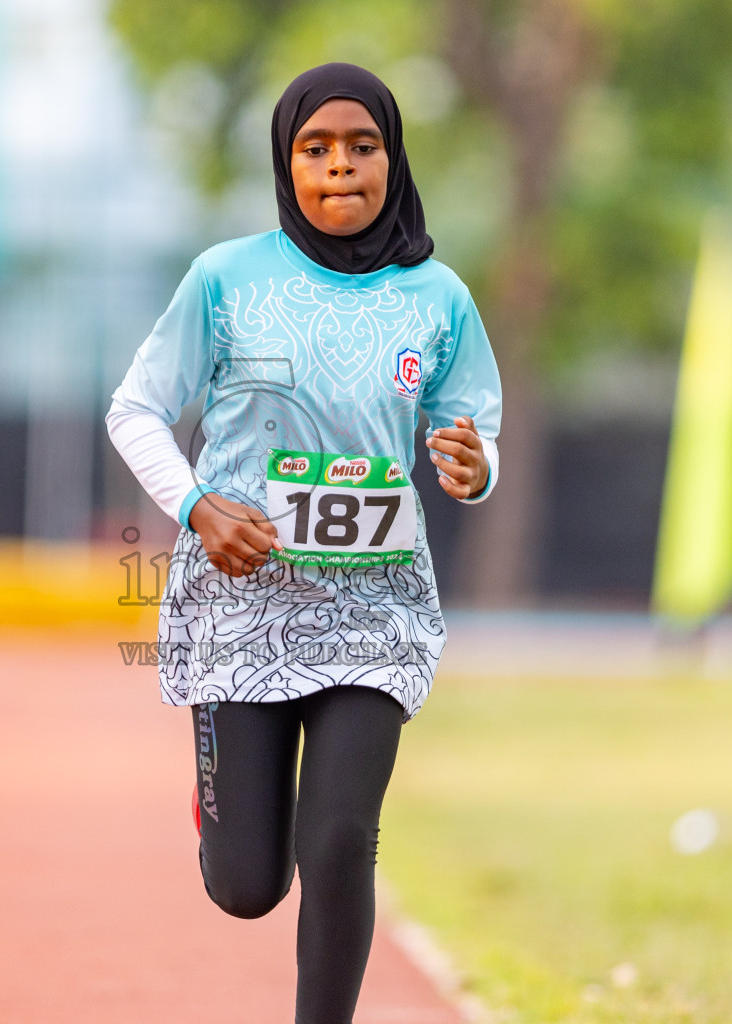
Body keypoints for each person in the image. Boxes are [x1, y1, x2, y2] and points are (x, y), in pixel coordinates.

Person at [106, 62, 503, 1024]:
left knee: (338, 841)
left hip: (376, 608)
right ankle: (223, 809)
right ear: (287, 166)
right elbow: (137, 409)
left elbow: (476, 424)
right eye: (314, 150)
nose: (339, 169)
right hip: (245, 604)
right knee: (248, 884)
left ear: (392, 158)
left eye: (361, 147)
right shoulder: (226, 279)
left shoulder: (438, 295)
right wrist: (199, 506)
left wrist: (473, 463)